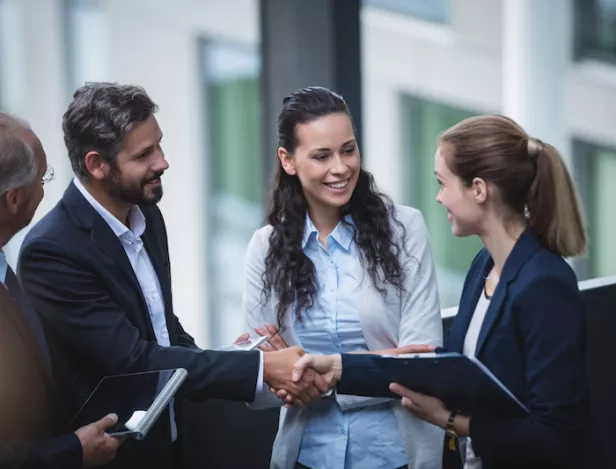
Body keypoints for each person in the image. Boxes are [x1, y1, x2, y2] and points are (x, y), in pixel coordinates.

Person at [16, 83, 326, 469]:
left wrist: (232, 356)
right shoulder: (52, 251)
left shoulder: (146, 213)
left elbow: (162, 328)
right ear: (97, 165)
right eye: (145, 154)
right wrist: (260, 369)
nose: (162, 162)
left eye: (158, 145)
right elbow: (134, 360)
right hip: (116, 458)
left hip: (175, 442)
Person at [293, 115, 589, 469]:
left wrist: (450, 422)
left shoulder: (545, 284)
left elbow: (556, 435)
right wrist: (337, 367)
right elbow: (447, 370)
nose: (438, 198)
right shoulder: (484, 264)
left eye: (443, 183)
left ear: (479, 189)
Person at [242, 86, 444, 469]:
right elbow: (259, 374)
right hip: (307, 457)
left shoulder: (406, 230)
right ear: (288, 160)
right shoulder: (265, 248)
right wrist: (377, 363)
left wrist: (321, 372)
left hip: (393, 455)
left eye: (348, 150)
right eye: (322, 156)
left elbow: (421, 361)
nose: (341, 167)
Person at [0, 113, 122, 468]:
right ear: (14, 200)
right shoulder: (46, 250)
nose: (44, 189)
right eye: (43, 178)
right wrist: (72, 453)